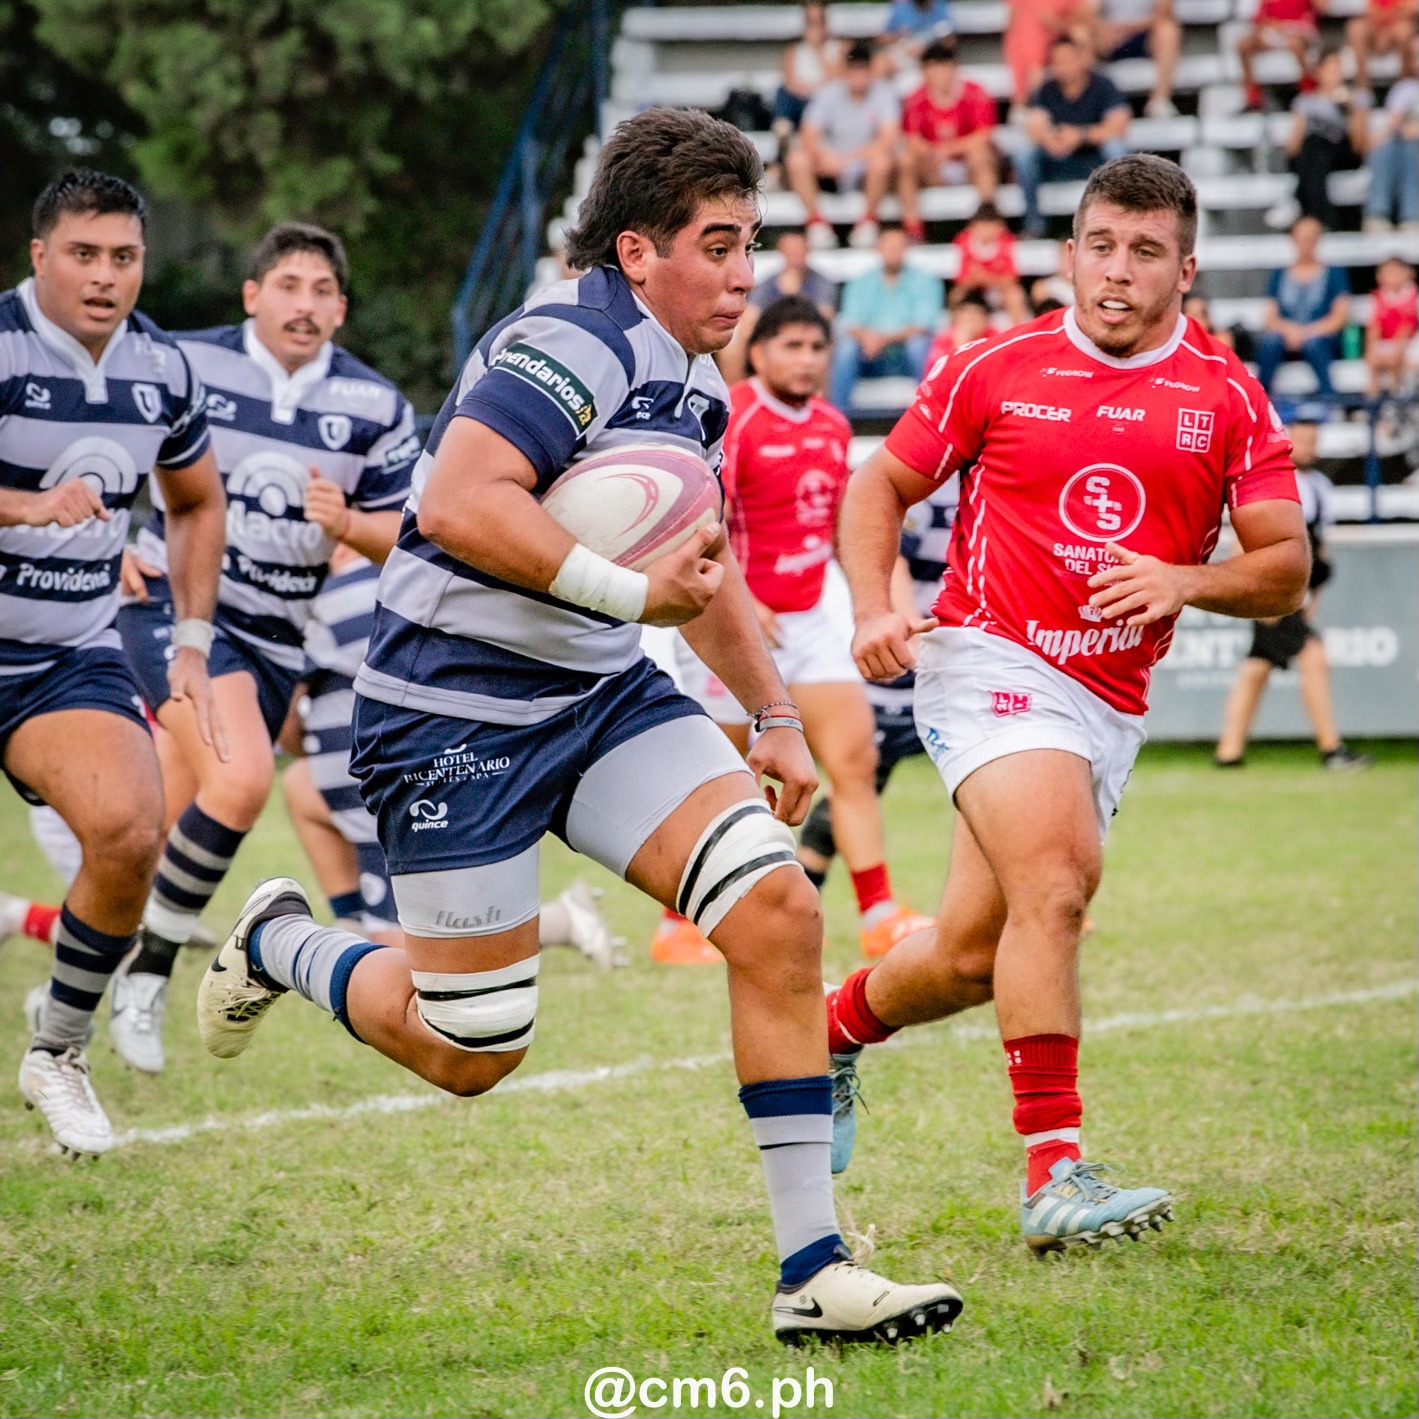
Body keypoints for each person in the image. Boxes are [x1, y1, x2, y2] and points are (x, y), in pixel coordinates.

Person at [196, 107, 963, 1346]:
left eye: (750, 242)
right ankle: (286, 942)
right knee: (472, 1048)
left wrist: (771, 710)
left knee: (778, 911)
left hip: (600, 700)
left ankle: (813, 1270)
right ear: (637, 253)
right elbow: (460, 500)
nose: (744, 273)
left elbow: (701, 564)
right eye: (717, 244)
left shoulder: (698, 384)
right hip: (452, 711)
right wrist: (629, 596)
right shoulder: (565, 340)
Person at [829, 154, 1311, 1249]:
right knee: (1055, 887)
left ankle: (832, 1031)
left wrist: (1186, 580)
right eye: (1100, 246)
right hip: (987, 658)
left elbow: (1285, 565)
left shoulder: (1226, 394)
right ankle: (1054, 1173)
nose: (1117, 271)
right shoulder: (991, 367)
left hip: (1106, 699)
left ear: (1185, 270)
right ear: (1069, 255)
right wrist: (871, 606)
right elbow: (879, 485)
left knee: (969, 954)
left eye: (1144, 252)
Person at [111, 221, 420, 1075]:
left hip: (279, 639)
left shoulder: (375, 406)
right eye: (287, 285)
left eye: (322, 291)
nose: (304, 304)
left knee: (141, 836)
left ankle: (69, 995)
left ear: (342, 310)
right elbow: (96, 444)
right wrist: (107, 546)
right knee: (244, 779)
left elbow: (410, 534)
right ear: (252, 295)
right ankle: (150, 975)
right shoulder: (185, 363)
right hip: (175, 606)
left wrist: (347, 522)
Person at [3, 170, 226, 1156]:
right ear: (39, 255)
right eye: (83, 254)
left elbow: (197, 501)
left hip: (67, 655)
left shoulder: (162, 369)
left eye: (123, 257)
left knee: (132, 830)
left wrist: (192, 642)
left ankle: (57, 1051)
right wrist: (28, 506)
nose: (104, 276)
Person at [681, 296, 935, 960]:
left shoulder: (830, 424)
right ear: (758, 352)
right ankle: (676, 924)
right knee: (717, 776)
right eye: (791, 345)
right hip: (730, 621)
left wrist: (884, 605)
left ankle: (879, 911)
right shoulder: (734, 415)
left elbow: (845, 528)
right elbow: (703, 518)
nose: (807, 359)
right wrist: (740, 598)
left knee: (854, 759)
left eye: (817, 347)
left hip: (810, 616)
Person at [285, 545, 624, 966]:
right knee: (301, 786)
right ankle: (351, 924)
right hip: (429, 763)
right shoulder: (409, 577)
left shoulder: (334, 594)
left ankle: (560, 921)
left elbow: (286, 713)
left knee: (412, 957)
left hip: (386, 780)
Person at [797, 476, 961, 905]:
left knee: (996, 777)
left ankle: (1031, 898)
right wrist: (909, 634)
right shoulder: (928, 476)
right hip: (912, 651)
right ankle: (805, 895)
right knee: (861, 777)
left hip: (970, 654)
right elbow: (894, 556)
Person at [1215, 414, 1370, 770]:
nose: (1309, 448)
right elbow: (1246, 541)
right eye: (1303, 440)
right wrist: (1259, 595)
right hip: (1271, 593)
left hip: (1290, 593)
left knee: (1257, 668)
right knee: (1313, 656)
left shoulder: (1319, 487)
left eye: (1314, 441)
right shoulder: (1269, 481)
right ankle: (1331, 748)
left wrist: (1311, 597)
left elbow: (1319, 549)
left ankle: (1228, 752)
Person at [786, 41, 902, 251]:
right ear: (845, 71)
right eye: (853, 70)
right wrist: (825, 155)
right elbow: (808, 134)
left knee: (883, 161)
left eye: (862, 70)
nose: (857, 76)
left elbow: (889, 137)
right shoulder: (829, 93)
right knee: (797, 159)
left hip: (864, 166)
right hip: (831, 165)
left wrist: (852, 159)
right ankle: (816, 221)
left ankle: (868, 220)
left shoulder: (883, 93)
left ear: (870, 71)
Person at [1016, 36, 1132, 238]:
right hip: (1057, 160)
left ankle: (1121, 215)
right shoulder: (1046, 88)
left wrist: (1080, 136)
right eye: (1057, 62)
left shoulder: (1103, 85)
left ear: (1082, 59)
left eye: (1068, 60)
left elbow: (1118, 126)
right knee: (1024, 154)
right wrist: (1050, 140)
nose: (1063, 67)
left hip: (1093, 161)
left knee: (1115, 149)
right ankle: (1034, 224)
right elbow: (1034, 125)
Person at [828, 225, 944, 412]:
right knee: (846, 348)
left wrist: (882, 339)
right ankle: (837, 414)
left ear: (906, 249)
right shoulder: (861, 281)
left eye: (899, 247)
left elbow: (924, 324)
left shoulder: (925, 280)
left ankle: (932, 411)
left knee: (919, 345)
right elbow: (850, 321)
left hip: (905, 356)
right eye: (889, 247)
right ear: (878, 248)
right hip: (869, 356)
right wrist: (867, 338)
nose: (894, 252)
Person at [898, 37, 1001, 242]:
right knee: (906, 160)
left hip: (968, 165)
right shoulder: (916, 99)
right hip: (933, 168)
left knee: (981, 155)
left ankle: (988, 222)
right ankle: (913, 226)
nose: (939, 75)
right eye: (933, 69)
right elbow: (912, 139)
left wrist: (948, 150)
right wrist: (933, 153)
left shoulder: (975, 93)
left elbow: (985, 134)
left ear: (954, 68)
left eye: (944, 68)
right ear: (924, 72)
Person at [716, 228, 837, 384]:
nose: (796, 254)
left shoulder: (822, 283)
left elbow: (823, 320)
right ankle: (735, 396)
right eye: (791, 250)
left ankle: (818, 397)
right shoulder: (767, 283)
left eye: (800, 249)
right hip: (771, 336)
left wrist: (792, 292)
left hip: (805, 337)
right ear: (782, 251)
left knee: (820, 349)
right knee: (731, 349)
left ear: (808, 250)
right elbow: (750, 317)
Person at [1270, 48, 1368, 229]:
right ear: (1319, 71)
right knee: (1313, 146)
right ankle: (1323, 221)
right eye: (1330, 68)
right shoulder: (1306, 102)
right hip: (1313, 156)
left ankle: (1299, 204)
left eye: (1338, 68)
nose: (1335, 74)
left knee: (1315, 147)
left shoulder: (1356, 99)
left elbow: (1359, 146)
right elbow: (1293, 148)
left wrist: (1349, 110)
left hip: (1342, 153)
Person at [1254, 215, 1350, 397]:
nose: (1306, 243)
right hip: (1287, 336)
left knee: (1315, 344)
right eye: (1302, 238)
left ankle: (1329, 398)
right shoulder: (1280, 273)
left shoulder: (1333, 273)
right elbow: (1270, 317)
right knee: (1270, 343)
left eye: (1311, 238)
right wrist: (1290, 331)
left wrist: (1306, 332)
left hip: (1320, 337)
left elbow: (1339, 317)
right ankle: (1260, 397)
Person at [1361, 32, 1419, 232]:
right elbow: (1393, 123)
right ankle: (1378, 213)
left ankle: (1412, 215)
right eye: (1415, 55)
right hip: (1403, 144)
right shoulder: (1405, 89)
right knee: (1384, 148)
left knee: (1412, 149)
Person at [1087, 0, 1181, 117]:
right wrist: (1103, 28)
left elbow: (1164, 14)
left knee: (1168, 31)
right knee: (1082, 33)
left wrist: (1127, 28)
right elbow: (1088, 12)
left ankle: (1160, 100)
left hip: (1145, 34)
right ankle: (1086, 102)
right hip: (1109, 35)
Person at [771, 1, 845, 138]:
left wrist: (818, 50)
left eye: (818, 22)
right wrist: (812, 89)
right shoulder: (794, 50)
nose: (814, 28)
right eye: (810, 22)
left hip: (825, 101)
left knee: (826, 98)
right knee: (783, 92)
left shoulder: (838, 48)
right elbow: (790, 83)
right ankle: (783, 129)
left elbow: (837, 80)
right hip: (801, 99)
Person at [950, 201, 1029, 326]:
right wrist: (975, 280)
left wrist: (986, 278)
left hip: (999, 292)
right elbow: (960, 279)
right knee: (956, 295)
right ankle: (954, 330)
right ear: (972, 227)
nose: (985, 231)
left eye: (989, 226)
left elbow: (1012, 278)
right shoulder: (963, 242)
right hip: (974, 292)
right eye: (981, 226)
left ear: (1000, 227)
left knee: (1015, 294)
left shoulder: (1007, 241)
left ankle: (1017, 328)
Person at [1005, 0, 1093, 110]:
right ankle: (1027, 96)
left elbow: (1084, 16)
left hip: (1062, 35)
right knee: (1027, 27)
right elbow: (1014, 18)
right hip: (1033, 45)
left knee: (1080, 32)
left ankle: (1088, 85)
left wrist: (1056, 23)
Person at [1238, 0, 1321, 112]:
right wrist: (1268, 28)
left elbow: (1314, 14)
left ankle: (1309, 88)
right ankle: (1253, 95)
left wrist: (1287, 27)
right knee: (1244, 44)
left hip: (1298, 31)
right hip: (1274, 32)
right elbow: (1260, 19)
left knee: (1295, 43)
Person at [1365, 255, 1419, 395]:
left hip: (1409, 343)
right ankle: (1373, 394)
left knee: (1398, 359)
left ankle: (1396, 391)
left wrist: (1397, 350)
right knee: (1373, 358)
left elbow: (1407, 327)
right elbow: (1375, 326)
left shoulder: (1413, 296)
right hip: (1387, 342)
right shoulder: (1379, 297)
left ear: (1407, 273)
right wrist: (1372, 348)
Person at [1346, 0, 1418, 95]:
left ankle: (1403, 86)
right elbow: (1371, 11)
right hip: (1376, 29)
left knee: (1404, 30)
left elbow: (1411, 9)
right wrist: (1382, 26)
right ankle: (1362, 87)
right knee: (1355, 28)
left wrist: (1391, 17)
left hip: (1396, 28)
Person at [926, 292, 995, 368]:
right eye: (967, 317)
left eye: (975, 317)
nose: (970, 323)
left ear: (986, 320)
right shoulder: (943, 339)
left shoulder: (994, 338)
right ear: (956, 318)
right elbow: (937, 370)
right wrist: (959, 344)